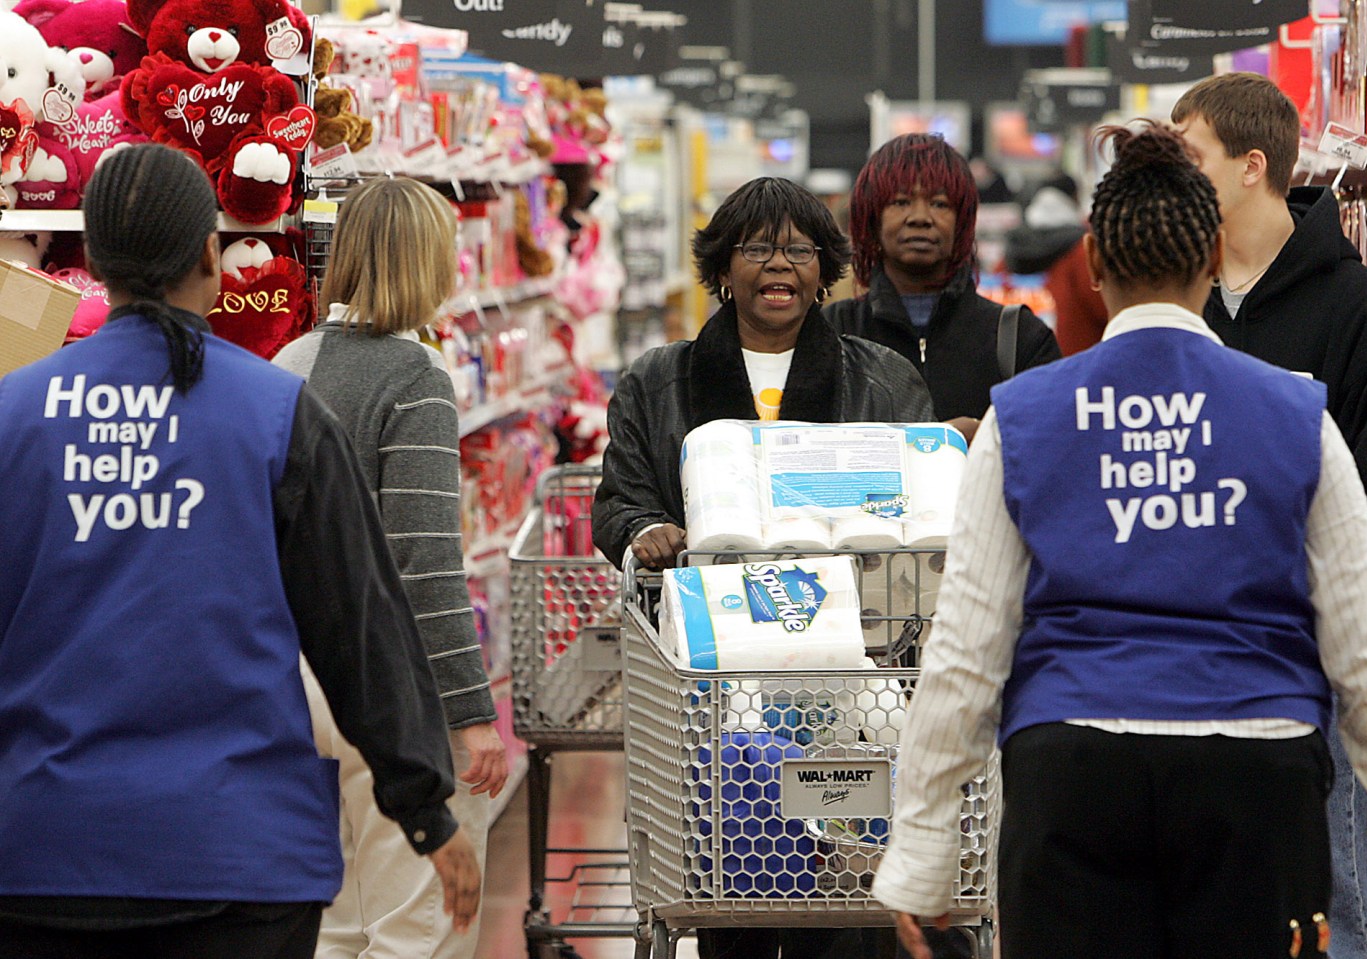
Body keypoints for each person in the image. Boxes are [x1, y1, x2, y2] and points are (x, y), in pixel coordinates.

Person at [872, 122, 1367, 959]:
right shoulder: (1294, 414)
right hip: (1256, 774)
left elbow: (966, 650)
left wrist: (920, 848)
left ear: (1094, 266)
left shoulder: (1020, 418)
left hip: (1070, 771)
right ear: (1213, 254)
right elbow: (1364, 643)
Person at [0, 144, 479, 958]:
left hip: (43, 847)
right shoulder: (276, 411)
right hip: (236, 855)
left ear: (100, 263)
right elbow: (358, 622)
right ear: (208, 254)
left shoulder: (15, 413)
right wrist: (426, 807)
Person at [1172, 72, 1367, 959]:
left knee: (1330, 897)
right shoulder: (1177, 309)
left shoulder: (1362, 312)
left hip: (1312, 663)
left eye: (1189, 155)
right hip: (1181, 661)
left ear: (1251, 167)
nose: (1173, 175)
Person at [272, 176, 508, 959]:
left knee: (333, 918)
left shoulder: (290, 360)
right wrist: (472, 714)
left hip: (290, 677)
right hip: (380, 684)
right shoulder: (416, 379)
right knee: (416, 922)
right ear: (428, 263)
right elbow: (423, 559)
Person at [594, 175, 935, 577]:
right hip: (696, 619)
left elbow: (926, 503)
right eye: (756, 249)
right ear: (723, 271)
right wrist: (647, 529)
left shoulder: (885, 378)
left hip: (856, 620)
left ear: (823, 273)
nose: (779, 262)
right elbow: (619, 500)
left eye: (799, 250)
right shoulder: (654, 381)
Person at [824, 133, 1059, 443]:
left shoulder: (1020, 338)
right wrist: (940, 441)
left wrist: (992, 443)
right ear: (872, 218)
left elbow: (1051, 446)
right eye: (901, 202)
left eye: (939, 203)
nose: (920, 217)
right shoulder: (833, 333)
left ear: (962, 222)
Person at [1003, 172, 1108, 355]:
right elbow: (1104, 311)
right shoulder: (1082, 252)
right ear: (1075, 199)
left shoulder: (1013, 250)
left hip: (1019, 365)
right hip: (1076, 363)